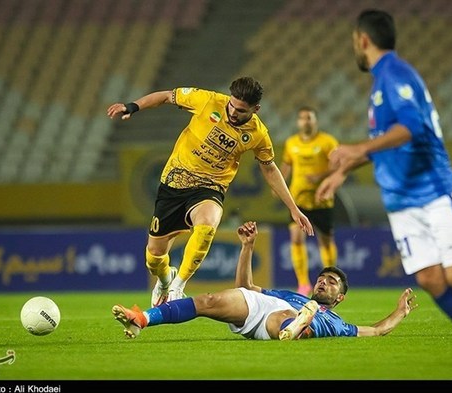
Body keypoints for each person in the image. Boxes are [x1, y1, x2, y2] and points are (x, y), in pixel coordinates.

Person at [315, 9, 452, 371]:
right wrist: (346, 169)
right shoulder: (380, 85)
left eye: (353, 42)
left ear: (363, 40)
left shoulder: (396, 75)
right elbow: (388, 142)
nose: (354, 49)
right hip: (402, 204)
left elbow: (411, 128)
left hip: (435, 192)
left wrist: (358, 149)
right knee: (430, 279)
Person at [107, 77, 314, 307]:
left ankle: (179, 286)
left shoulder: (258, 134)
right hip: (174, 182)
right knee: (153, 258)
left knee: (207, 224)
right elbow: (166, 96)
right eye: (232, 105)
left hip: (210, 186)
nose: (233, 113)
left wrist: (293, 208)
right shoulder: (207, 100)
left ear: (256, 109)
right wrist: (133, 106)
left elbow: (270, 169)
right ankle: (166, 279)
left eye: (241, 110)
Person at [112, 221, 417, 340]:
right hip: (261, 305)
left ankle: (296, 328)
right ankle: (141, 318)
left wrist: (400, 313)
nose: (324, 282)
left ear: (340, 299)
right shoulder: (289, 294)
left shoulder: (339, 323)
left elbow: (377, 331)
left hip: (280, 320)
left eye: (332, 283)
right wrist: (248, 247)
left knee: (288, 319)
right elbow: (246, 287)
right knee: (208, 300)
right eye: (323, 278)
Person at [278, 106, 339, 296]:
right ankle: (303, 283)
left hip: (321, 199)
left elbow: (338, 165)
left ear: (315, 121)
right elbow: (286, 164)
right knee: (296, 237)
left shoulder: (328, 142)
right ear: (298, 122)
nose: (306, 121)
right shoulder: (291, 143)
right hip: (299, 199)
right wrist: (278, 185)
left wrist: (320, 176)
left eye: (309, 118)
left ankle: (331, 278)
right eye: (302, 118)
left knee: (325, 240)